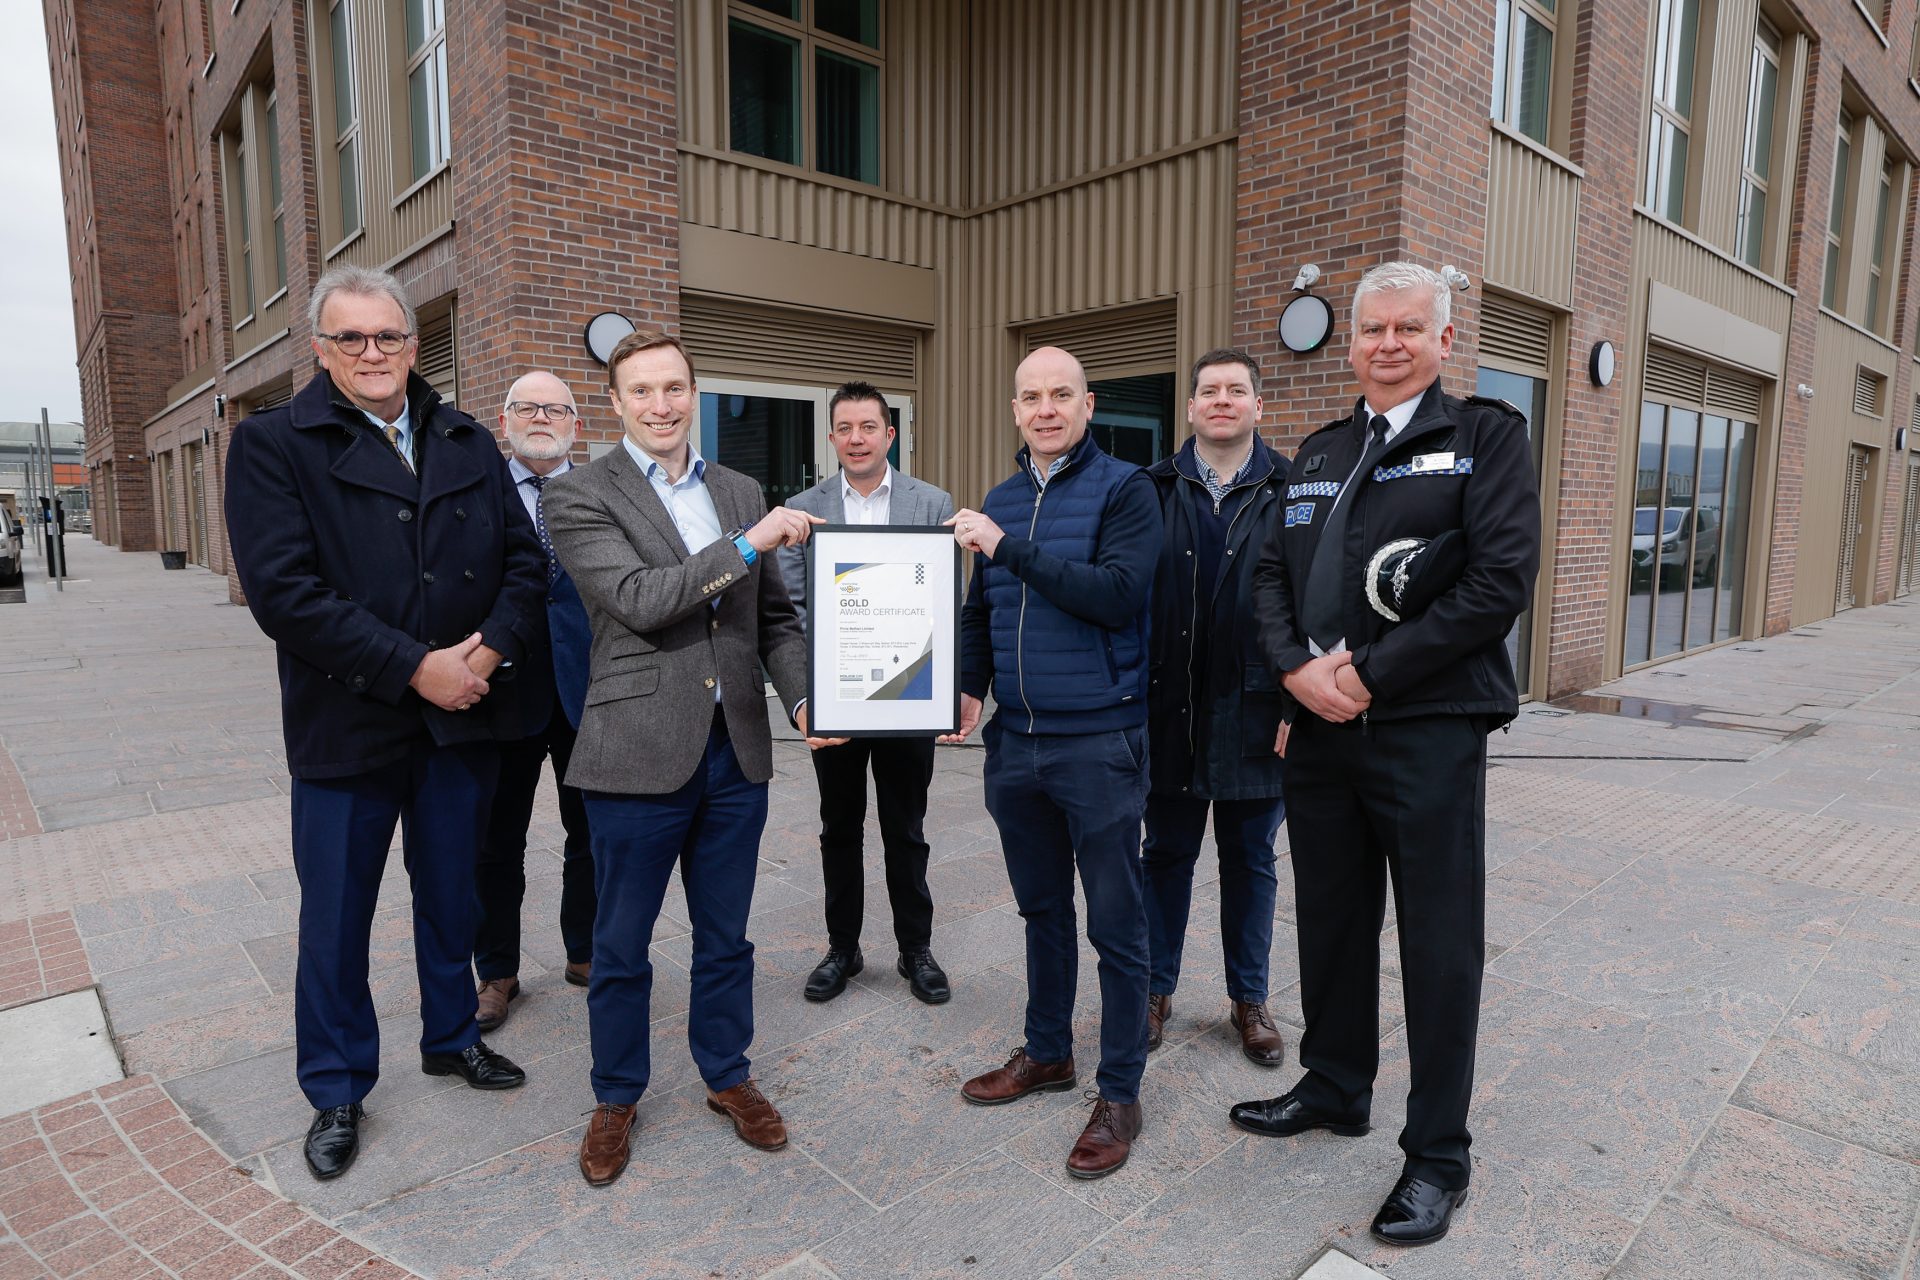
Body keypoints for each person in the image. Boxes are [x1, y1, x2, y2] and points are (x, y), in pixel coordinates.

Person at [1235, 262, 1540, 1246]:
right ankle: (1334, 1085)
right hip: (1320, 731)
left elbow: (1498, 582)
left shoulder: (1485, 438)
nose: (1389, 343)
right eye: (1373, 328)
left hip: (1426, 729)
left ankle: (1438, 1156)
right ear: (1353, 341)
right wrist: (1295, 671)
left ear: (1445, 340)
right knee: (1330, 919)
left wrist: (1369, 673)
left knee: (1439, 944)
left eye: (1410, 327)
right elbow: (1270, 578)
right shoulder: (1320, 451)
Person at [224, 265, 544, 1181]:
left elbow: (525, 562)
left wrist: (485, 655)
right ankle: (336, 1087)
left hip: (460, 722)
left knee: (453, 897)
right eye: (351, 337)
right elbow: (284, 594)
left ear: (413, 342)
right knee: (335, 920)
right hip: (347, 726)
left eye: (388, 335)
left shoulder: (465, 436)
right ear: (320, 350)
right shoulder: (272, 444)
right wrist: (416, 668)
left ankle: (451, 1038)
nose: (373, 352)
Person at [542, 331, 843, 1189]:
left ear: (693, 393)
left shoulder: (738, 489)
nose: (661, 405)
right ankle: (616, 1096)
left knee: (725, 937)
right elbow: (639, 600)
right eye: (642, 391)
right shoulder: (579, 494)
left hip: (734, 750)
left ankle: (726, 1073)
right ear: (615, 402)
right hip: (635, 753)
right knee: (621, 944)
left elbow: (774, 621)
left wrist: (803, 700)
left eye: (674, 387)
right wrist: (749, 545)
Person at [944, 345, 1164, 1180]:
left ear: (1087, 404)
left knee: (1116, 922)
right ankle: (1047, 1052)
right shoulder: (1002, 500)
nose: (1045, 409)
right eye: (1031, 397)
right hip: (1018, 743)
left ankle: (1120, 1092)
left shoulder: (1127, 490)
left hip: (1100, 741)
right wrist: (969, 687)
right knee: (1041, 909)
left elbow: (1115, 596)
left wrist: (1005, 547)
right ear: (1015, 410)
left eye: (1060, 395)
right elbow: (981, 611)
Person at [778, 380, 957, 1006]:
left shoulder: (932, 503)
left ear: (890, 434)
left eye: (869, 427)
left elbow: (944, 602)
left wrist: (944, 686)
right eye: (845, 429)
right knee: (839, 828)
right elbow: (792, 609)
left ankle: (916, 950)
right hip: (838, 697)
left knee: (907, 828)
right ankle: (842, 948)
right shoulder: (803, 510)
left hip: (910, 692)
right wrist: (822, 682)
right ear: (831, 438)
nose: (857, 439)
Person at [1141, 349, 1290, 1066]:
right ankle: (1152, 989)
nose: (1221, 400)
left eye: (1236, 390)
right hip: (1166, 709)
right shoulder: (1150, 489)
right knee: (1164, 855)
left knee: (1250, 859)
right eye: (1209, 390)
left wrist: (1297, 702)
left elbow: (1314, 602)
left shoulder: (1294, 489)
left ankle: (1249, 998)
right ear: (1191, 407)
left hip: (1256, 708)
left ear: (1258, 406)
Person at [471, 372, 598, 1032]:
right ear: (505, 421)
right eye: (527, 407)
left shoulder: (602, 492)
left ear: (576, 423)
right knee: (497, 841)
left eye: (555, 409)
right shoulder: (476, 489)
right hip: (502, 691)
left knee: (592, 832)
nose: (541, 417)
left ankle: (586, 951)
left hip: (588, 688)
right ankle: (497, 971)